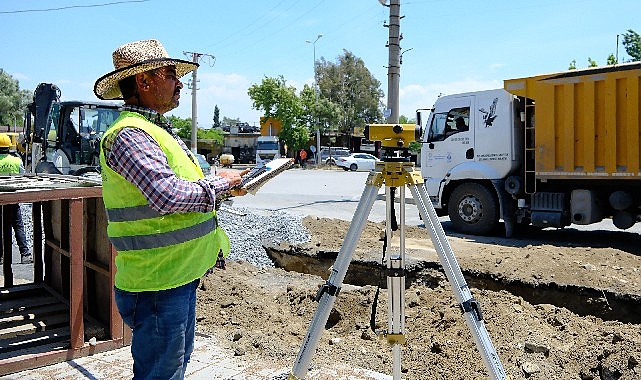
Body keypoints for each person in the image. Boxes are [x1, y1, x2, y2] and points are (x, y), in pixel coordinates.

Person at [94, 39, 248, 380]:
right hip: (157, 283)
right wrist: (222, 184)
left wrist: (218, 184)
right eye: (170, 74)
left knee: (172, 366)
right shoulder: (129, 135)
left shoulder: (153, 131)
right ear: (144, 82)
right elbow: (167, 195)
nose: (179, 82)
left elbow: (178, 188)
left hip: (174, 276)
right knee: (161, 373)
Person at [0, 133, 32, 264]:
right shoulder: (17, 161)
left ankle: (0, 257)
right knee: (18, 225)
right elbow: (23, 177)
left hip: (0, 198)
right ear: (9, 147)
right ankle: (25, 254)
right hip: (13, 198)